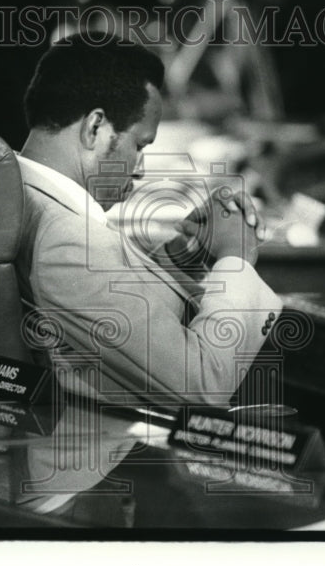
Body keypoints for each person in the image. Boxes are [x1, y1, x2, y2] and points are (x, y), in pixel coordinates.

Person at [15, 32, 283, 408]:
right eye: (139, 145)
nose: (139, 170)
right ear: (95, 128)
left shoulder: (25, 195)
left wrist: (185, 252)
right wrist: (234, 257)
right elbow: (200, 385)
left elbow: (118, 309)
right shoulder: (66, 242)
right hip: (123, 454)